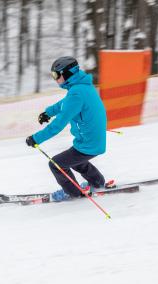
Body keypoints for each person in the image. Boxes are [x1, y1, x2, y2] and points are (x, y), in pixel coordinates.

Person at [25, 56, 108, 202]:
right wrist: (48, 112)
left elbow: (58, 125)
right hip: (93, 141)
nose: (55, 79)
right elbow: (65, 103)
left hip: (88, 143)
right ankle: (97, 183)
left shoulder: (76, 93)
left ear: (67, 73)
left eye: (56, 75)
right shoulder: (83, 87)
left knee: (56, 164)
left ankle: (73, 192)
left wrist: (36, 139)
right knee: (76, 162)